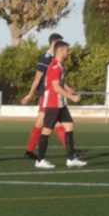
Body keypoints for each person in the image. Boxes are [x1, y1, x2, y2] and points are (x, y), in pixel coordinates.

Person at [34, 41, 87, 169]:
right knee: (46, 131)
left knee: (69, 126)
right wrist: (72, 97)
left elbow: (60, 84)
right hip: (53, 104)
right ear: (61, 51)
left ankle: (71, 159)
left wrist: (69, 89)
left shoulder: (60, 66)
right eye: (67, 50)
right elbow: (56, 87)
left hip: (60, 104)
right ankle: (40, 160)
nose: (68, 53)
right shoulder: (54, 67)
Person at [20, 33, 74, 160]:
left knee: (43, 123)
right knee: (52, 124)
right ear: (54, 43)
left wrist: (66, 87)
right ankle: (70, 152)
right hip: (47, 95)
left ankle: (30, 151)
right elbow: (38, 78)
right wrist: (29, 94)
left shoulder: (55, 59)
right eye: (60, 43)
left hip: (52, 95)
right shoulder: (46, 58)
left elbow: (57, 79)